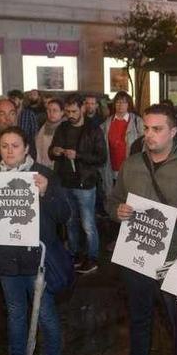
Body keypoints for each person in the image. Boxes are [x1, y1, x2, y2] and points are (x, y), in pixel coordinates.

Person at [101, 104, 177, 355]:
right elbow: (112, 201)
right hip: (137, 256)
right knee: (139, 316)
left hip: (173, 259)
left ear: (173, 132)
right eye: (146, 128)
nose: (150, 135)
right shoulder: (133, 163)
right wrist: (118, 211)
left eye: (157, 129)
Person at [0, 127, 72, 355]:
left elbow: (64, 214)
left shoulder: (44, 175)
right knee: (15, 313)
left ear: (27, 148)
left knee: (46, 314)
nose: (9, 151)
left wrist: (46, 193)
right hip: (7, 259)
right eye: (4, 146)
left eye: (15, 146)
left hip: (36, 258)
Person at [49, 95, 106, 274]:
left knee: (88, 223)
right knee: (71, 221)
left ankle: (92, 257)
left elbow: (101, 157)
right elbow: (51, 152)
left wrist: (79, 155)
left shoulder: (93, 129)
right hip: (66, 182)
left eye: (74, 111)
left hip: (85, 183)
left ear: (82, 109)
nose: (71, 115)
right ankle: (75, 254)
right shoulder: (63, 127)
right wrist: (55, 151)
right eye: (68, 112)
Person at [100, 91, 143, 198]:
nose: (120, 105)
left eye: (124, 102)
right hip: (111, 168)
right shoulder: (106, 123)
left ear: (129, 104)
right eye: (118, 102)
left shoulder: (137, 122)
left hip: (131, 168)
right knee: (114, 199)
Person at [36, 98, 64, 169]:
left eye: (55, 110)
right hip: (43, 166)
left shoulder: (65, 128)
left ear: (62, 112)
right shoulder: (44, 126)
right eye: (49, 110)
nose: (51, 113)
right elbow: (38, 148)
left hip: (59, 168)